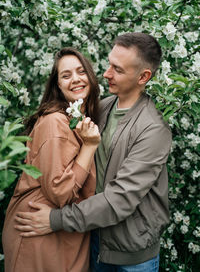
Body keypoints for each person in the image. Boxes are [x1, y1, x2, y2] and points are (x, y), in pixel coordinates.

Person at [14, 32, 172, 272]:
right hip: (95, 240)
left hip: (132, 256)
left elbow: (120, 199)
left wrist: (55, 220)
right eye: (109, 64)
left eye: (118, 70)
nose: (107, 73)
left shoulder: (153, 130)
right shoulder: (102, 107)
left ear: (143, 76)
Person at [2, 47, 101, 272]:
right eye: (66, 75)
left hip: (61, 230)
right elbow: (59, 191)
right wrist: (90, 146)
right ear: (58, 85)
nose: (75, 79)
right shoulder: (55, 122)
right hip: (38, 230)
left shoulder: (80, 120)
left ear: (90, 76)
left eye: (81, 71)